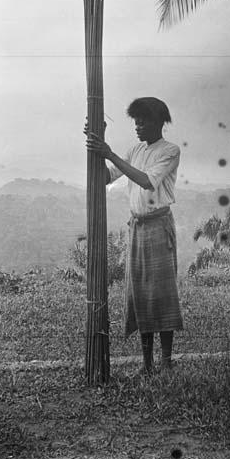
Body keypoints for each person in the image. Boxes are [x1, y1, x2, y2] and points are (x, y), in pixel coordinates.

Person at [85, 97, 183, 374]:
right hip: (137, 227)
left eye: (144, 121)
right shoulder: (135, 150)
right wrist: (97, 142)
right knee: (140, 293)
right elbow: (106, 177)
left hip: (158, 226)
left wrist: (110, 153)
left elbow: (146, 181)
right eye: (136, 121)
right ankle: (147, 363)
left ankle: (165, 362)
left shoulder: (170, 151)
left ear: (158, 123)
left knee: (161, 294)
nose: (138, 126)